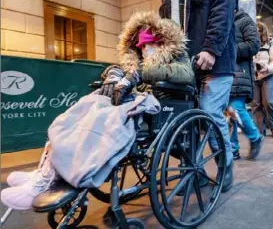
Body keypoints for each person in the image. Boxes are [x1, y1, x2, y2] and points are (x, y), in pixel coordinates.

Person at [1, 11, 195, 210]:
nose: (146, 49)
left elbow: (186, 75)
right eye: (142, 46)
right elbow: (124, 73)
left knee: (97, 122)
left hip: (154, 108)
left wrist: (140, 73)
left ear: (163, 42)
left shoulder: (177, 57)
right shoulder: (135, 62)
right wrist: (115, 73)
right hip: (128, 103)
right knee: (75, 117)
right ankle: (46, 171)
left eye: (150, 44)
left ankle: (53, 177)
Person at [159, 0, 237, 192]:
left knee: (210, 111)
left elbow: (222, 11)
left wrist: (211, 48)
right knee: (183, 120)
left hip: (217, 60)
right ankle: (193, 171)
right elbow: (163, 25)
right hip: (182, 65)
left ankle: (225, 165)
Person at [227, 8, 263, 160]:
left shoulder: (244, 20)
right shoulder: (223, 21)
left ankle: (255, 137)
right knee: (229, 113)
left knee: (236, 108)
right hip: (226, 74)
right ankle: (233, 149)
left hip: (240, 74)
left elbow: (254, 44)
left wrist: (231, 50)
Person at [253, 22, 273, 138]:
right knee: (256, 104)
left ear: (263, 31)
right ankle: (260, 130)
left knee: (269, 103)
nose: (256, 32)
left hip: (268, 76)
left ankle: (272, 127)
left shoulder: (271, 45)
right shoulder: (252, 44)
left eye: (258, 30)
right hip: (255, 77)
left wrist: (267, 68)